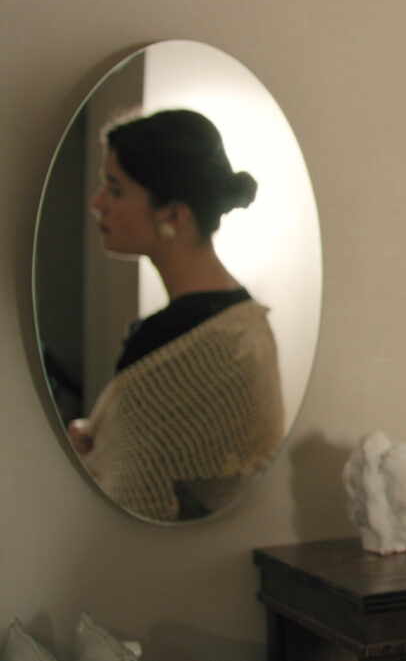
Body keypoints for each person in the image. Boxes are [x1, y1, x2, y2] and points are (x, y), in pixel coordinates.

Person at [67, 109, 284, 522]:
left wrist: (95, 448)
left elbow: (126, 492)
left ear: (173, 213)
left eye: (115, 189)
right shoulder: (248, 318)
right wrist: (100, 439)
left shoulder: (168, 343)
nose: (97, 203)